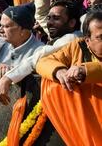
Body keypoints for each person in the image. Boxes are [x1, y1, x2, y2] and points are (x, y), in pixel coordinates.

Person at [0, 0, 83, 107]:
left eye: (56, 18)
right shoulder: (61, 38)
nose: (49, 23)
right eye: (49, 18)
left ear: (72, 22)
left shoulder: (73, 38)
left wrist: (7, 78)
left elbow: (36, 59)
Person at [35, 8, 102, 145]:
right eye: (101, 37)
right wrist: (59, 72)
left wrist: (84, 70)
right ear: (87, 40)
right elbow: (43, 62)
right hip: (86, 125)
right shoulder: (77, 46)